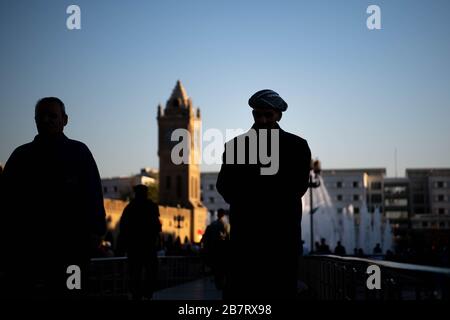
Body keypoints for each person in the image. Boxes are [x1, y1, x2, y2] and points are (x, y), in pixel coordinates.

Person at [0, 97, 106, 299]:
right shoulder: (21, 156)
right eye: (42, 116)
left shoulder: (79, 152)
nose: (47, 120)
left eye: (52, 116)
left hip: (72, 250)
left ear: (64, 120)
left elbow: (93, 195)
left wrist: (93, 235)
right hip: (28, 251)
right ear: (35, 120)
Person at [216, 89, 311, 299]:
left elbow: (225, 186)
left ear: (278, 115)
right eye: (258, 114)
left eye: (268, 115)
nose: (263, 119)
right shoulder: (296, 146)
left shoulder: (296, 146)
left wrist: (247, 203)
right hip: (266, 235)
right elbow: (223, 185)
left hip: (264, 236)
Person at [119, 184, 161, 300]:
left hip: (134, 247)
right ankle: (148, 292)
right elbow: (157, 226)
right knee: (150, 271)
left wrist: (123, 246)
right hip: (148, 246)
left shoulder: (129, 208)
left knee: (134, 272)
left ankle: (136, 293)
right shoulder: (151, 206)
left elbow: (123, 228)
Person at [201, 208, 230, 290]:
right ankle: (221, 283)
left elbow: (206, 237)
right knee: (222, 268)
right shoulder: (226, 225)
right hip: (223, 250)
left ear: (217, 214)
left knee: (217, 268)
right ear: (223, 215)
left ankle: (218, 283)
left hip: (214, 250)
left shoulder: (212, 225)